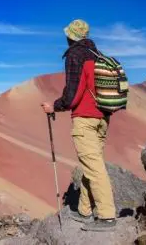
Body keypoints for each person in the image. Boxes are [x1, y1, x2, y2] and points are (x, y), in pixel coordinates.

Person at [41, 19, 116, 232]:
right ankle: (84, 210)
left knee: (94, 167)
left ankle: (107, 216)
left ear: (70, 36)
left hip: (85, 119)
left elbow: (72, 95)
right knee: (90, 164)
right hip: (103, 118)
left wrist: (54, 106)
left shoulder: (75, 55)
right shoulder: (96, 54)